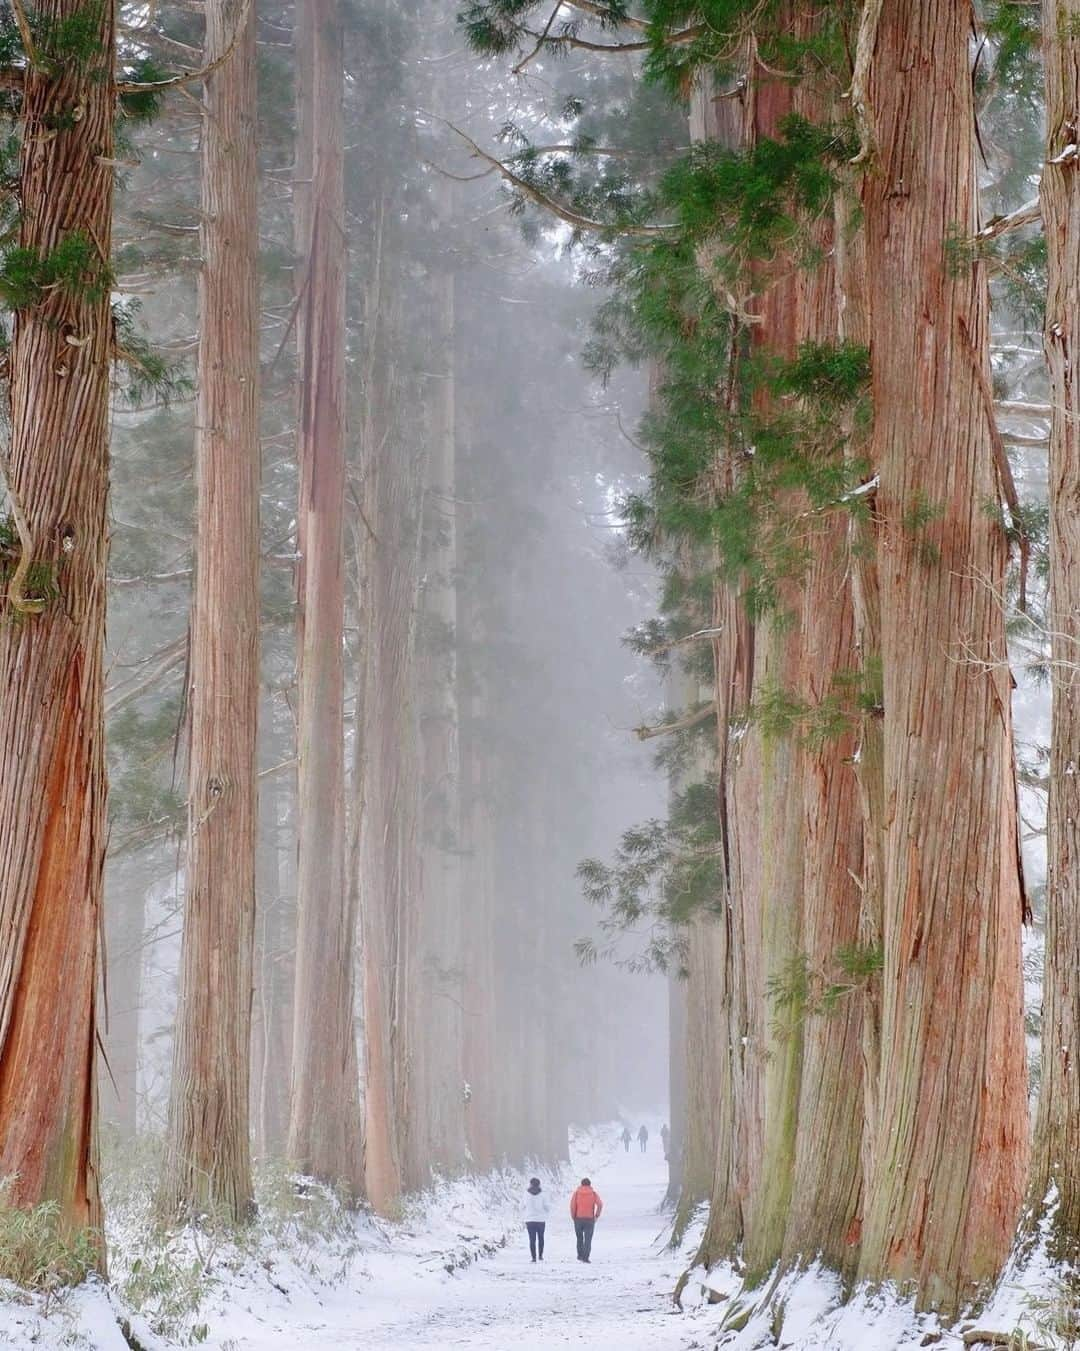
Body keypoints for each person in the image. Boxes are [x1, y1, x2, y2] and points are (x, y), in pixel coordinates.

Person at [569, 1176, 603, 1262]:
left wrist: (573, 1216)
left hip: (578, 1219)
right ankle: (586, 1257)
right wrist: (596, 1215)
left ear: (581, 1184)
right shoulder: (593, 1193)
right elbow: (600, 1204)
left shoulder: (576, 1193)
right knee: (588, 1239)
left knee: (579, 1238)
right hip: (589, 1219)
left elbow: (572, 1206)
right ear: (590, 1185)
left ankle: (580, 1255)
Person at [524, 1176, 549, 1262]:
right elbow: (547, 1207)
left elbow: (521, 1206)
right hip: (541, 1220)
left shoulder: (526, 1194)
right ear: (539, 1185)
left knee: (532, 1239)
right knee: (541, 1238)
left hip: (529, 1220)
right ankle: (540, 1256)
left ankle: (533, 1257)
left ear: (530, 1184)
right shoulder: (543, 1194)